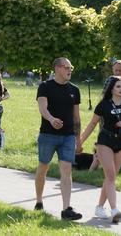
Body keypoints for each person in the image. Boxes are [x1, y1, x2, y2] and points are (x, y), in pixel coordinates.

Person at [77, 76, 121, 223]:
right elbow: (92, 124)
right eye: (118, 87)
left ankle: (99, 206)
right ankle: (114, 209)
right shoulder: (104, 104)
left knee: (111, 177)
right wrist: (79, 142)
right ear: (111, 89)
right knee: (110, 176)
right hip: (105, 141)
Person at [34, 57, 82, 220]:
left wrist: (79, 140)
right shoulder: (45, 87)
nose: (69, 70)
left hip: (68, 137)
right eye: (66, 67)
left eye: (71, 67)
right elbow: (42, 108)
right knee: (43, 168)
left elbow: (77, 118)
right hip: (48, 135)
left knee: (67, 171)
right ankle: (39, 201)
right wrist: (51, 119)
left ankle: (66, 209)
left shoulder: (74, 90)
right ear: (57, 68)